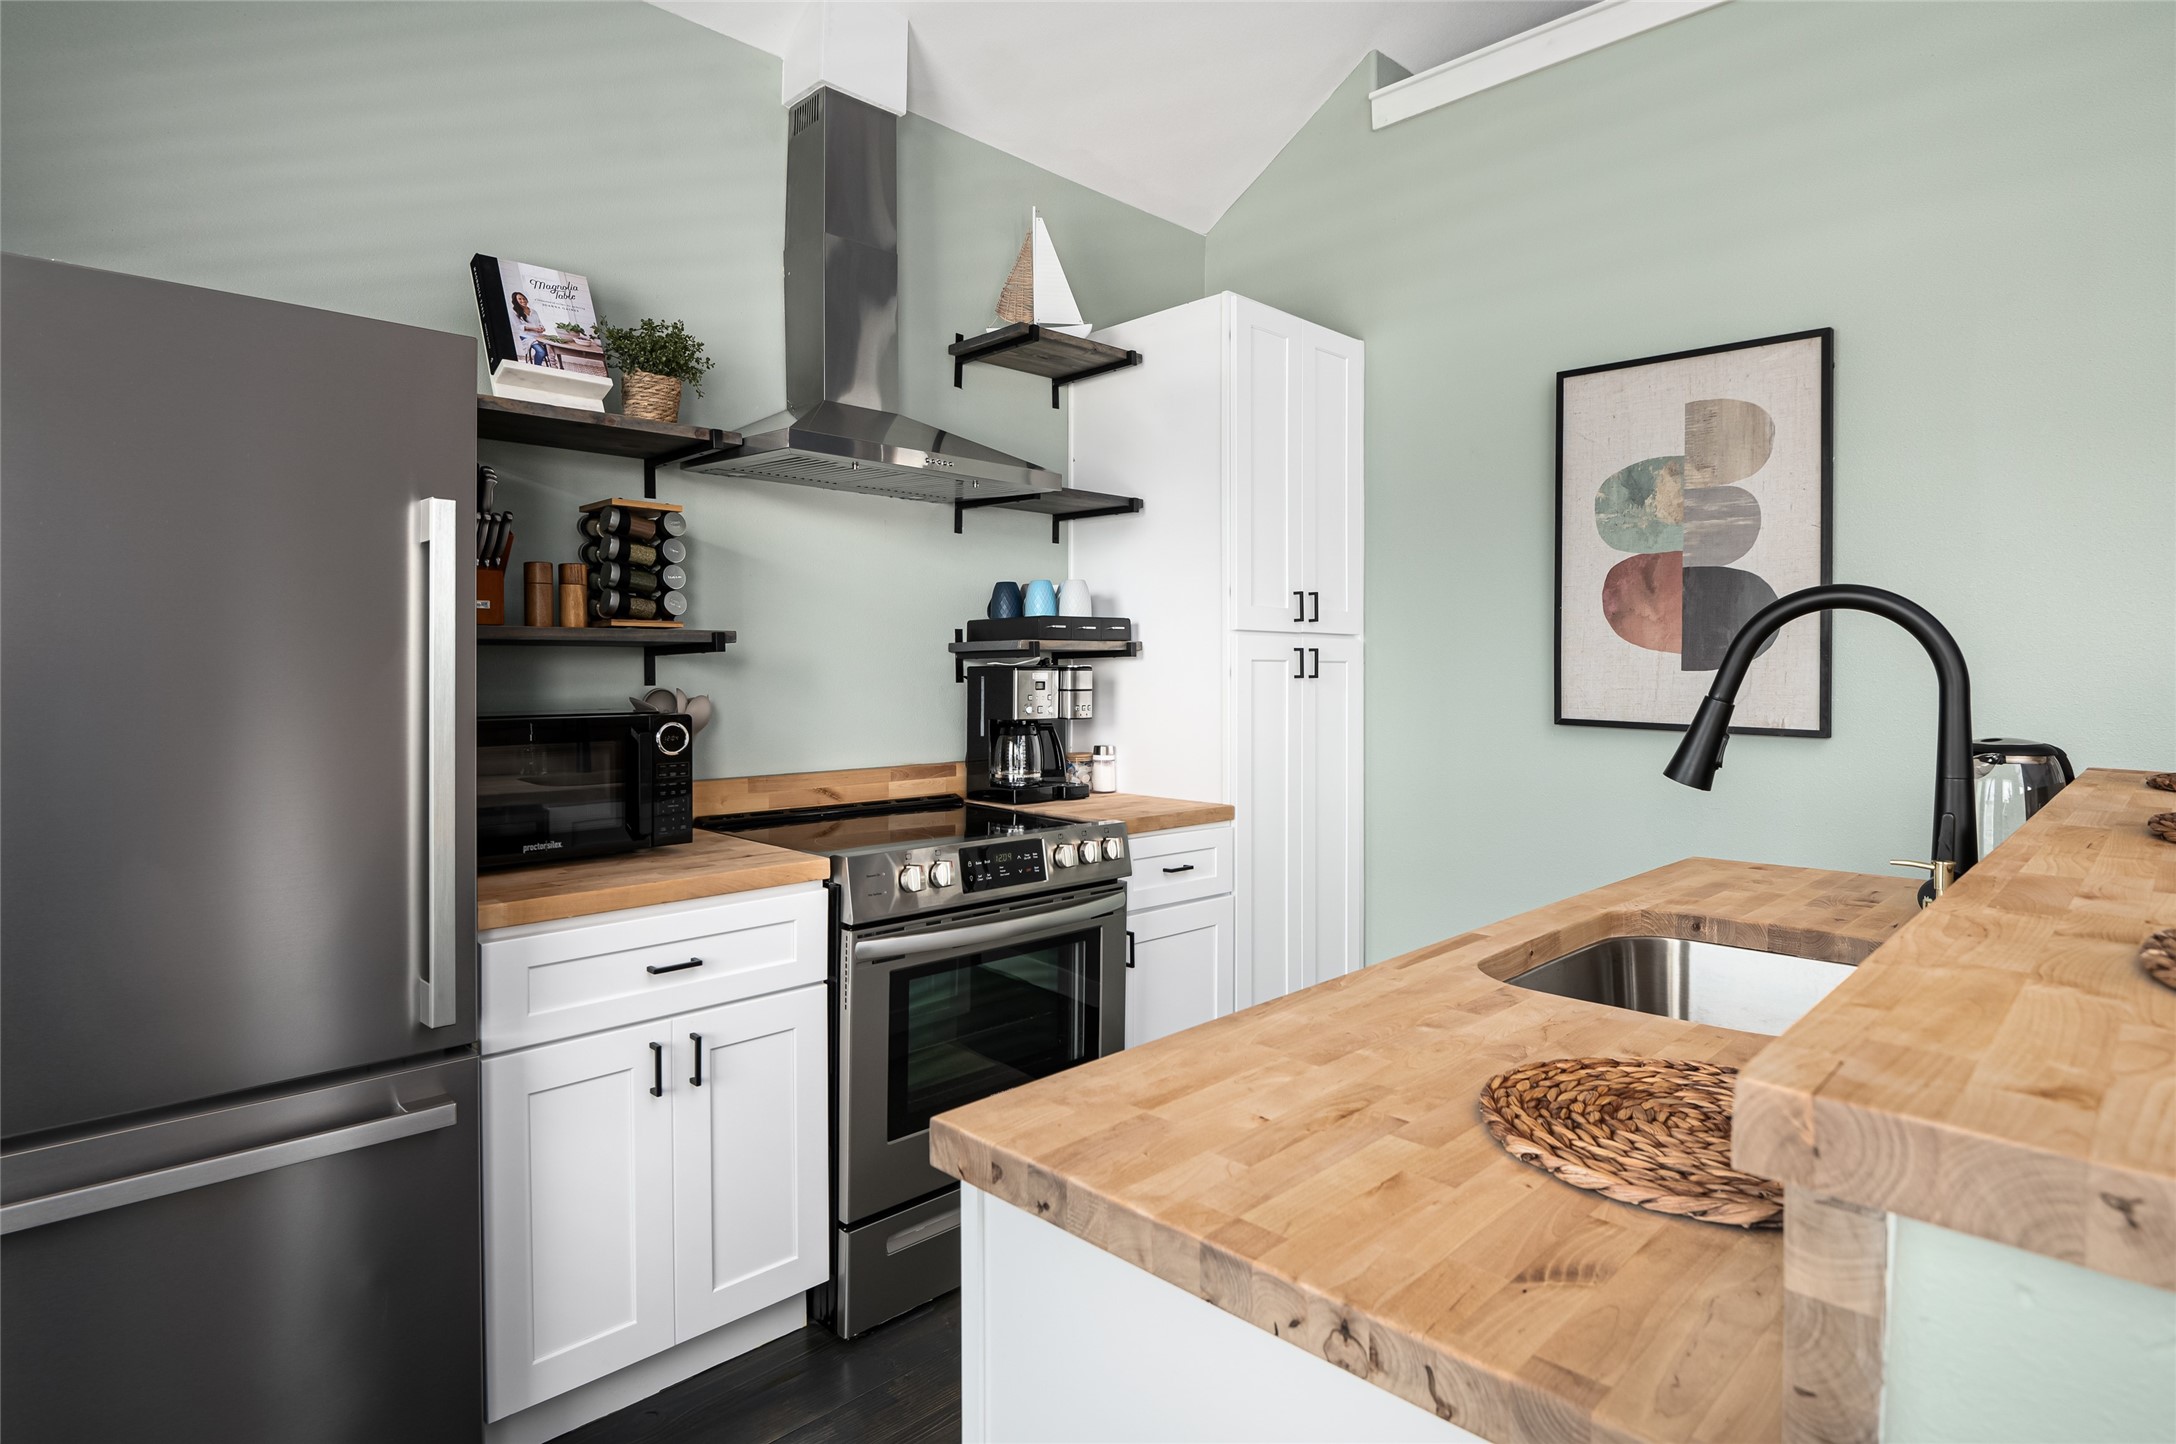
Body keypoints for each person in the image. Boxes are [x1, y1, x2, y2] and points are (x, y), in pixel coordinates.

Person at [509, 291, 552, 367]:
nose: (523, 300)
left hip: (538, 335)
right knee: (541, 352)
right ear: (516, 301)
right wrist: (534, 329)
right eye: (520, 299)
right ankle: (536, 368)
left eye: (524, 298)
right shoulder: (513, 312)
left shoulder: (533, 311)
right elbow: (518, 327)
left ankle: (536, 358)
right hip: (527, 336)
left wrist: (542, 328)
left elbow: (539, 323)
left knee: (550, 350)